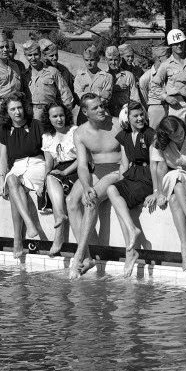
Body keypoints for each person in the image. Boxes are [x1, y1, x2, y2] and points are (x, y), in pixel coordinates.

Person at [68, 93, 124, 277]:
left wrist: (91, 190)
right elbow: (83, 165)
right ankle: (87, 257)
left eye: (101, 106)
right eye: (95, 108)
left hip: (118, 171)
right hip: (96, 170)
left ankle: (79, 254)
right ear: (85, 112)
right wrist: (85, 186)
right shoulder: (80, 133)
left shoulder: (117, 123)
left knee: (90, 201)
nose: (101, 110)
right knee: (71, 201)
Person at [0, 94, 47, 258]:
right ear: (7, 112)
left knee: (14, 188)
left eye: (19, 107)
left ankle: (17, 238)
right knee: (11, 180)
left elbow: (47, 153)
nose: (17, 112)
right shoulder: (3, 129)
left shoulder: (37, 125)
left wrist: (48, 177)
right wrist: (1, 177)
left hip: (37, 164)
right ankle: (30, 224)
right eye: (12, 109)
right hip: (18, 166)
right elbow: (2, 157)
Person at [108, 101, 155, 276]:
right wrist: (122, 185)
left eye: (141, 114)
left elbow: (156, 164)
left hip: (146, 177)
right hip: (131, 175)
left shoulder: (150, 134)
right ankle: (132, 229)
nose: (140, 118)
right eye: (135, 116)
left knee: (122, 205)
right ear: (127, 118)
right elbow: (124, 163)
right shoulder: (124, 136)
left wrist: (156, 191)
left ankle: (130, 254)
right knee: (112, 190)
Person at [145, 115, 186, 271]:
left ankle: (185, 245)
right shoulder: (159, 143)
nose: (179, 136)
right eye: (174, 135)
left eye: (180, 131)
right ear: (167, 135)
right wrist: (158, 192)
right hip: (174, 177)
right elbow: (158, 167)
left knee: (174, 199)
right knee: (175, 177)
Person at [40, 102, 79, 257]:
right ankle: (61, 217)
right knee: (50, 179)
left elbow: (83, 158)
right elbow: (49, 163)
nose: (59, 119)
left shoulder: (74, 131)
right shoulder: (47, 137)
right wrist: (43, 182)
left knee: (54, 179)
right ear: (49, 118)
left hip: (77, 168)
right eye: (55, 116)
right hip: (59, 170)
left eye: (61, 115)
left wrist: (65, 173)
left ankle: (58, 237)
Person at [24, 40, 73, 121]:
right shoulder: (24, 75)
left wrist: (65, 116)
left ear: (40, 54)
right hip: (30, 116)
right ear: (25, 56)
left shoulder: (53, 72)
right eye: (29, 55)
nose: (33, 58)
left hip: (49, 114)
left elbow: (66, 96)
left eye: (36, 54)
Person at [135, 43, 174, 128]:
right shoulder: (146, 78)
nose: (171, 60)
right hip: (156, 108)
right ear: (159, 59)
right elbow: (144, 99)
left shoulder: (170, 72)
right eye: (167, 57)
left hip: (171, 107)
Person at [73, 45, 114, 120]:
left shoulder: (106, 77)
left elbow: (106, 97)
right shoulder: (79, 76)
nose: (89, 63)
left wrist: (86, 94)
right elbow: (78, 96)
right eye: (86, 60)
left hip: (101, 113)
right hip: (83, 115)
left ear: (97, 59)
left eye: (92, 60)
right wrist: (99, 93)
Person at [105, 45, 136, 118]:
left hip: (124, 113)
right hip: (108, 114)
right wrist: (115, 88)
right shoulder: (102, 76)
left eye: (116, 60)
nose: (113, 62)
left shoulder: (128, 76)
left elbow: (135, 97)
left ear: (119, 60)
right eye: (110, 60)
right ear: (106, 60)